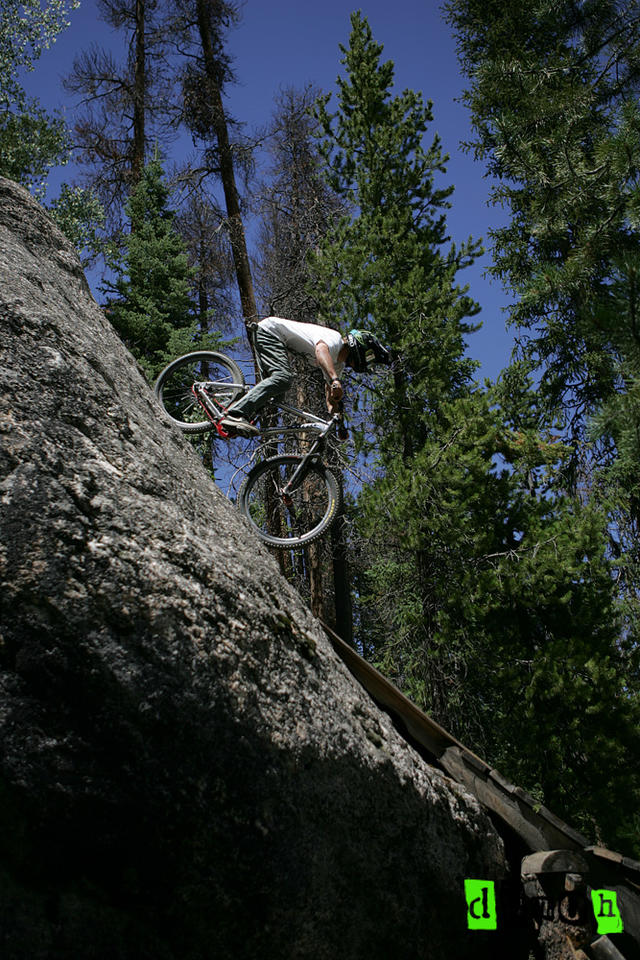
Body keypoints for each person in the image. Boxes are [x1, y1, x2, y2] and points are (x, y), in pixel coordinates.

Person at [219, 316, 393, 436]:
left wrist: (339, 422)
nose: (367, 364)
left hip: (275, 338)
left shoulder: (337, 366)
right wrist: (334, 380)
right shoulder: (335, 340)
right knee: (283, 378)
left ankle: (230, 410)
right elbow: (320, 351)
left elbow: (330, 399)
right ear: (360, 349)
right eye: (369, 358)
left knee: (276, 396)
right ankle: (235, 413)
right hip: (270, 332)